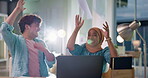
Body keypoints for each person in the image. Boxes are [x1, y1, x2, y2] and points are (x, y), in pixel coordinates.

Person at [0, 0, 55, 77]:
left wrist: (45, 50)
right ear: (27, 27)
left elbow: (51, 63)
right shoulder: (16, 41)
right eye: (37, 26)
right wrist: (17, 10)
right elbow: (4, 29)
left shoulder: (41, 43)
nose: (39, 29)